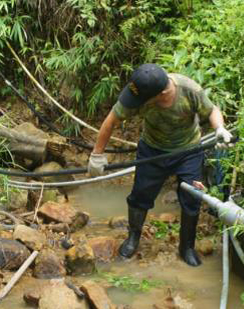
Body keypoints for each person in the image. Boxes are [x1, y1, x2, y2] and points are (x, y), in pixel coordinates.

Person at [87, 63, 232, 267]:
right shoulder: (139, 92)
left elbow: (212, 110)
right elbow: (111, 120)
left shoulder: (189, 90)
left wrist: (219, 129)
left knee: (192, 199)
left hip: (188, 151)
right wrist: (97, 154)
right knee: (140, 196)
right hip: (152, 151)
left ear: (162, 93)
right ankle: (133, 239)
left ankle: (187, 247)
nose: (136, 102)